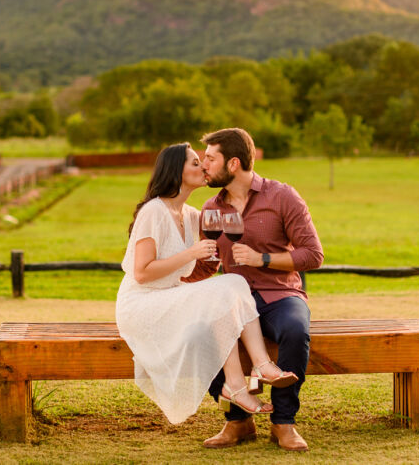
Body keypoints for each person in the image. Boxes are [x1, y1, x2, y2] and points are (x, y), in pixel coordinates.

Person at [115, 142, 297, 426]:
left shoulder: (193, 215)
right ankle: (248, 376)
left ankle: (246, 377)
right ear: (177, 171)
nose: (203, 167)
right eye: (195, 162)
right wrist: (190, 253)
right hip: (142, 304)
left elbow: (205, 264)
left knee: (232, 283)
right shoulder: (154, 212)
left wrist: (232, 254)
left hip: (170, 297)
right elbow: (142, 273)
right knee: (230, 285)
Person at [183, 128, 323, 451]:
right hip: (233, 300)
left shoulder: (283, 196)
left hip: (280, 294)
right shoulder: (211, 208)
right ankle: (238, 421)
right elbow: (208, 266)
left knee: (294, 330)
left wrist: (264, 259)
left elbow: (313, 254)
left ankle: (283, 423)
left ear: (233, 164)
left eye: (210, 159)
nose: (204, 165)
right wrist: (177, 282)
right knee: (199, 335)